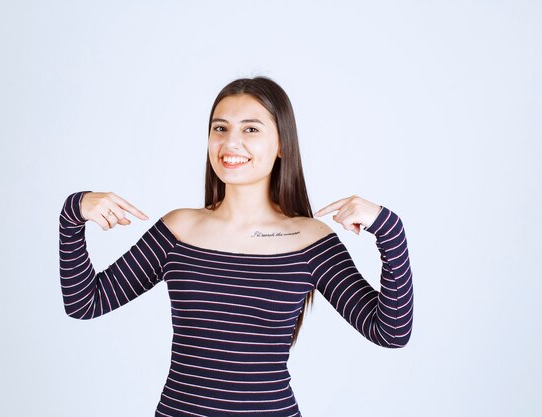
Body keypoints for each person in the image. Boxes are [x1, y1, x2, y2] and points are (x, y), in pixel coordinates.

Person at [59, 76, 414, 417]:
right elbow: (85, 303)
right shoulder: (179, 229)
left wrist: (390, 231)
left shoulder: (311, 241)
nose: (230, 144)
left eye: (251, 129)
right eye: (220, 128)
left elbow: (390, 331)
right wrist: (73, 214)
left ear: (282, 146)